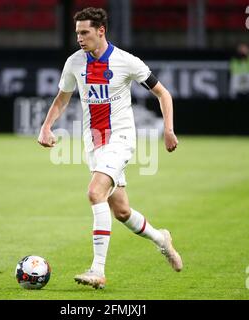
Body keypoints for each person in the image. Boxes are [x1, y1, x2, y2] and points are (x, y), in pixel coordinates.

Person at [37, 7, 183, 289]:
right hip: (94, 143)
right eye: (77, 32)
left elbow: (162, 92)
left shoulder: (126, 61)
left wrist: (168, 129)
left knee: (94, 192)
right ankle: (161, 239)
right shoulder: (74, 63)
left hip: (121, 139)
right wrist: (46, 126)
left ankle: (98, 269)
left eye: (85, 32)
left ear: (100, 31)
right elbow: (62, 99)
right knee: (122, 212)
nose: (79, 38)